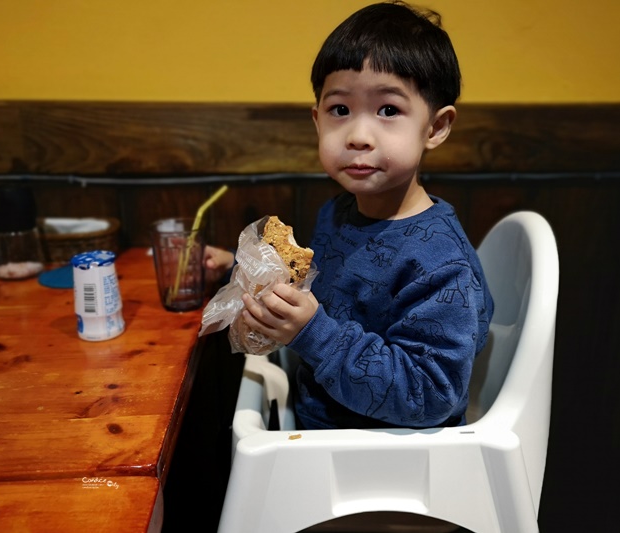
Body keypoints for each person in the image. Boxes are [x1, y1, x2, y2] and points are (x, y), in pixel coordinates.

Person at [207, 1, 493, 429]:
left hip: (379, 461)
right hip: (319, 425)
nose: (358, 136)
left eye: (388, 111)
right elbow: (318, 287)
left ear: (435, 128)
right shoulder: (340, 212)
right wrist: (247, 270)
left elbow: (431, 395)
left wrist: (313, 333)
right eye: (340, 110)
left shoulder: (440, 264)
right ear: (317, 120)